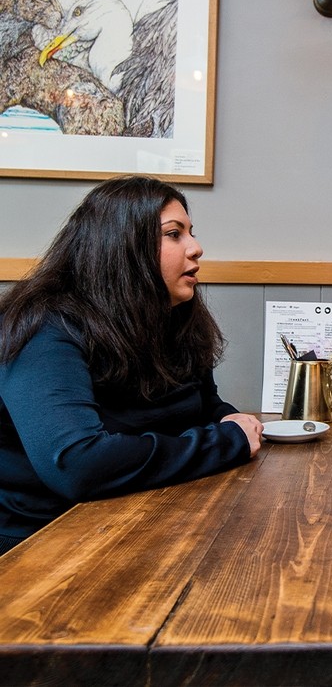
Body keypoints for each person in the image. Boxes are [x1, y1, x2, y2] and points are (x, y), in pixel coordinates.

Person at [0, 175, 263, 555]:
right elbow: (78, 465)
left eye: (191, 232)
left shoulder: (174, 318)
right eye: (174, 234)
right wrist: (228, 442)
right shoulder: (45, 327)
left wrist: (229, 419)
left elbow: (203, 406)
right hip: (40, 543)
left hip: (141, 518)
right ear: (123, 247)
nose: (197, 248)